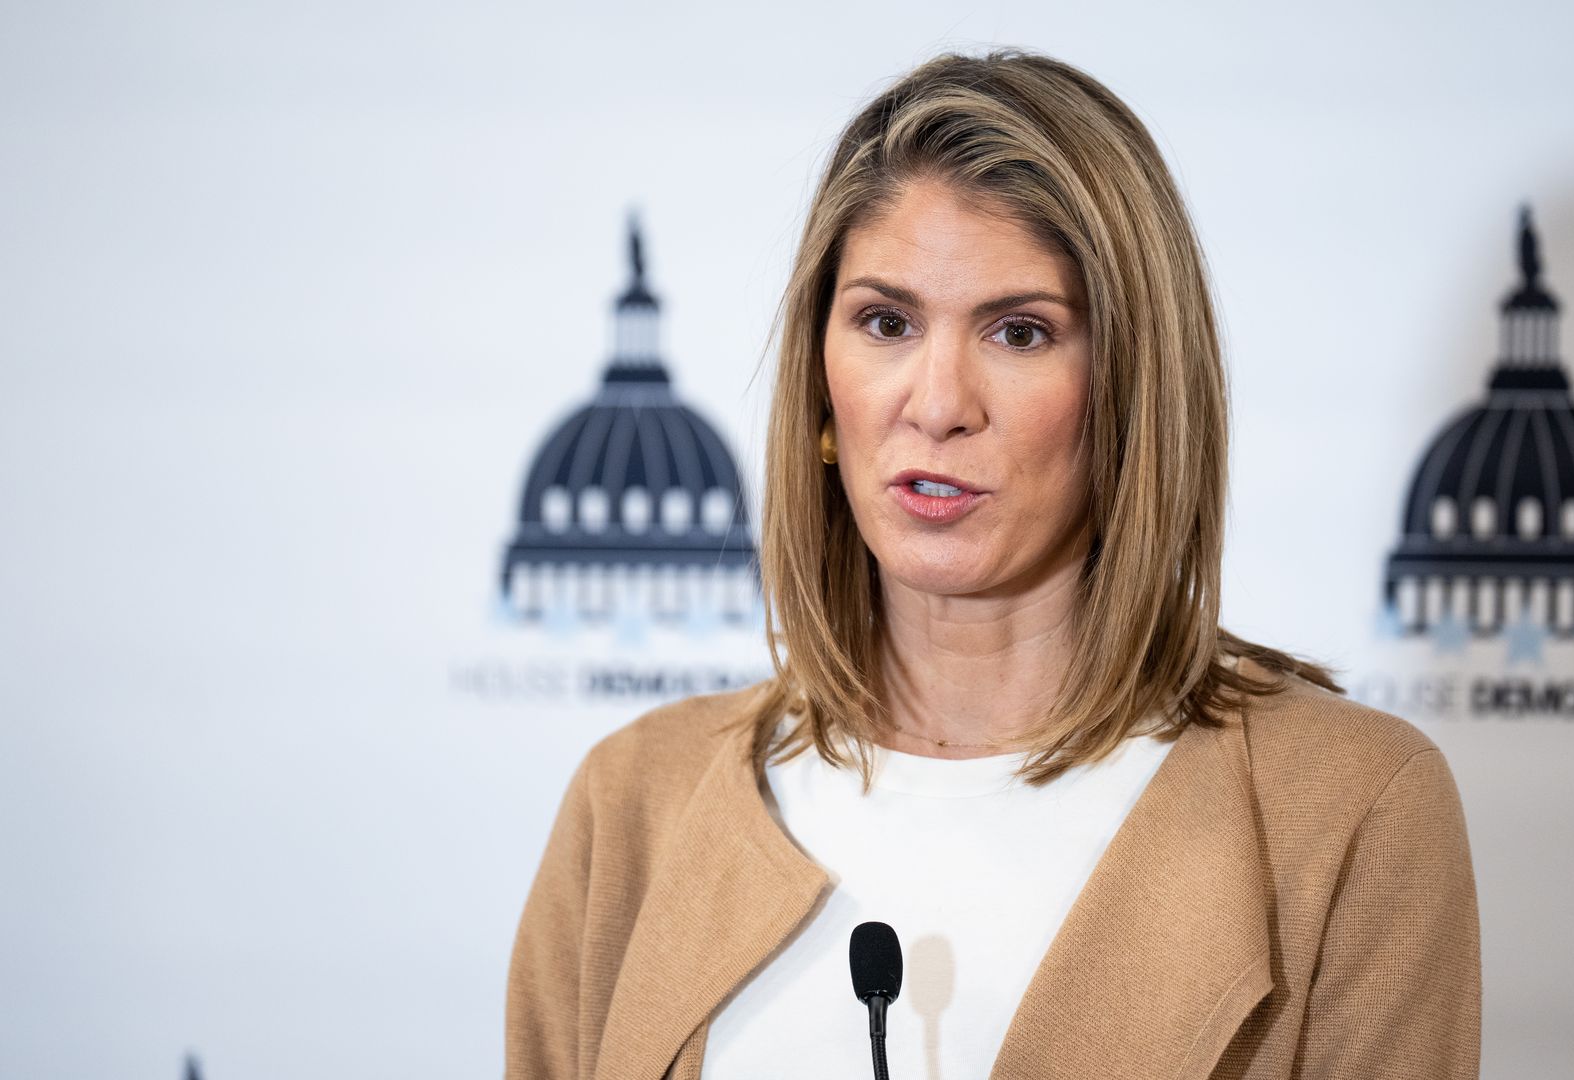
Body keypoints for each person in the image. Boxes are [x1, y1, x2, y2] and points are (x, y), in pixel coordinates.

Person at [506, 50, 1479, 1080]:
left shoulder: (1349, 807)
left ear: (1133, 392)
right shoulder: (634, 804)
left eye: (1020, 332)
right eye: (886, 322)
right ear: (819, 380)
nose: (936, 404)